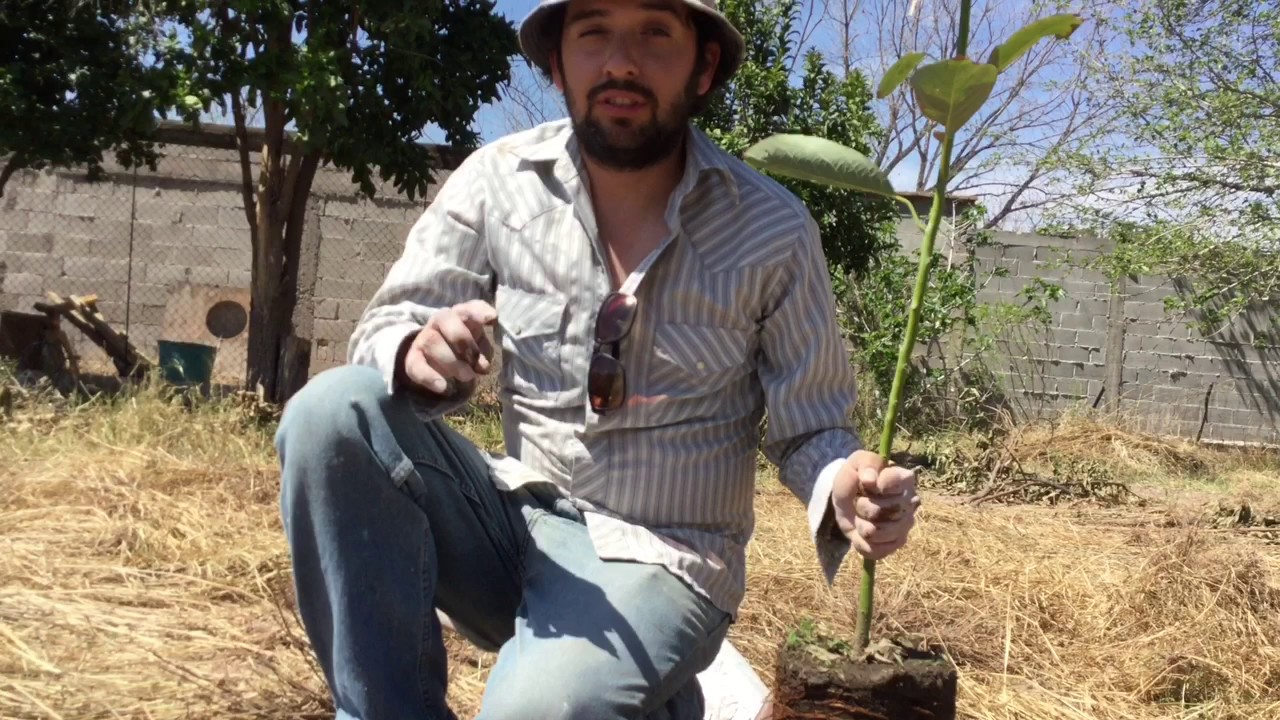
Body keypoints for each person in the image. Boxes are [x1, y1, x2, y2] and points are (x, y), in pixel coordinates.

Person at [274, 0, 921, 717]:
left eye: (654, 32)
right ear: (557, 62)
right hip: (516, 524)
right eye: (593, 34)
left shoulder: (771, 228)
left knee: (538, 712)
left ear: (703, 65)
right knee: (330, 415)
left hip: (666, 559)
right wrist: (417, 351)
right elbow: (390, 324)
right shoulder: (498, 183)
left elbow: (813, 428)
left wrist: (844, 483)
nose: (620, 61)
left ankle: (633, 690)